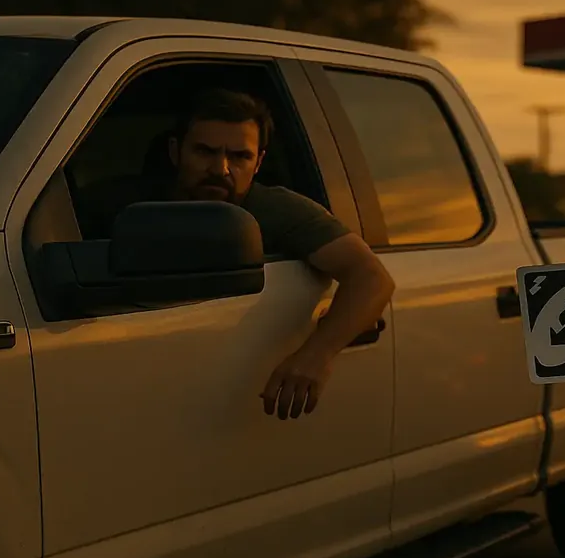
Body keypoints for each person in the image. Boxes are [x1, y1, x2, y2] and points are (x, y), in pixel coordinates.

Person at [79, 88, 395, 421]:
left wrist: (316, 355)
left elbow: (372, 277)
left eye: (239, 156)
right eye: (205, 151)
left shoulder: (273, 209)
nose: (221, 168)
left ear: (258, 161)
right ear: (175, 151)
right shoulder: (114, 203)